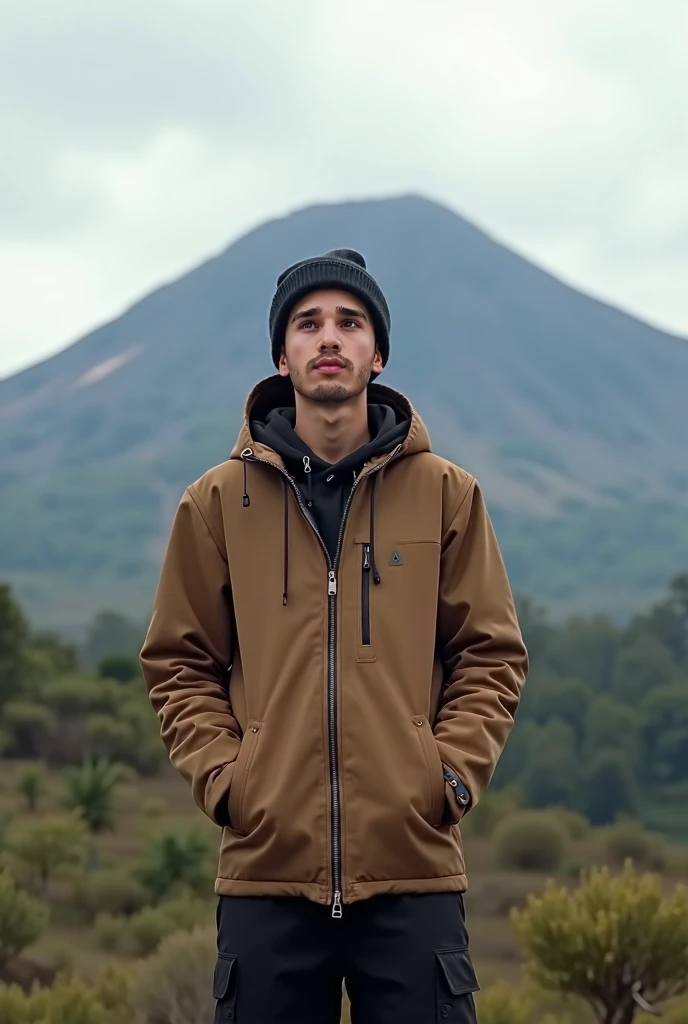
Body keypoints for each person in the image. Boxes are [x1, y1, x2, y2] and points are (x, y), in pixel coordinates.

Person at [140, 248, 528, 1023]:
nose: (329, 338)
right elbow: (179, 662)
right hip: (266, 874)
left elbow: (490, 653)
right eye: (308, 323)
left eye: (350, 323)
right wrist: (229, 781)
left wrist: (445, 778)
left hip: (413, 872)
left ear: (376, 353)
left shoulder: (447, 495)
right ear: (281, 354)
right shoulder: (216, 503)